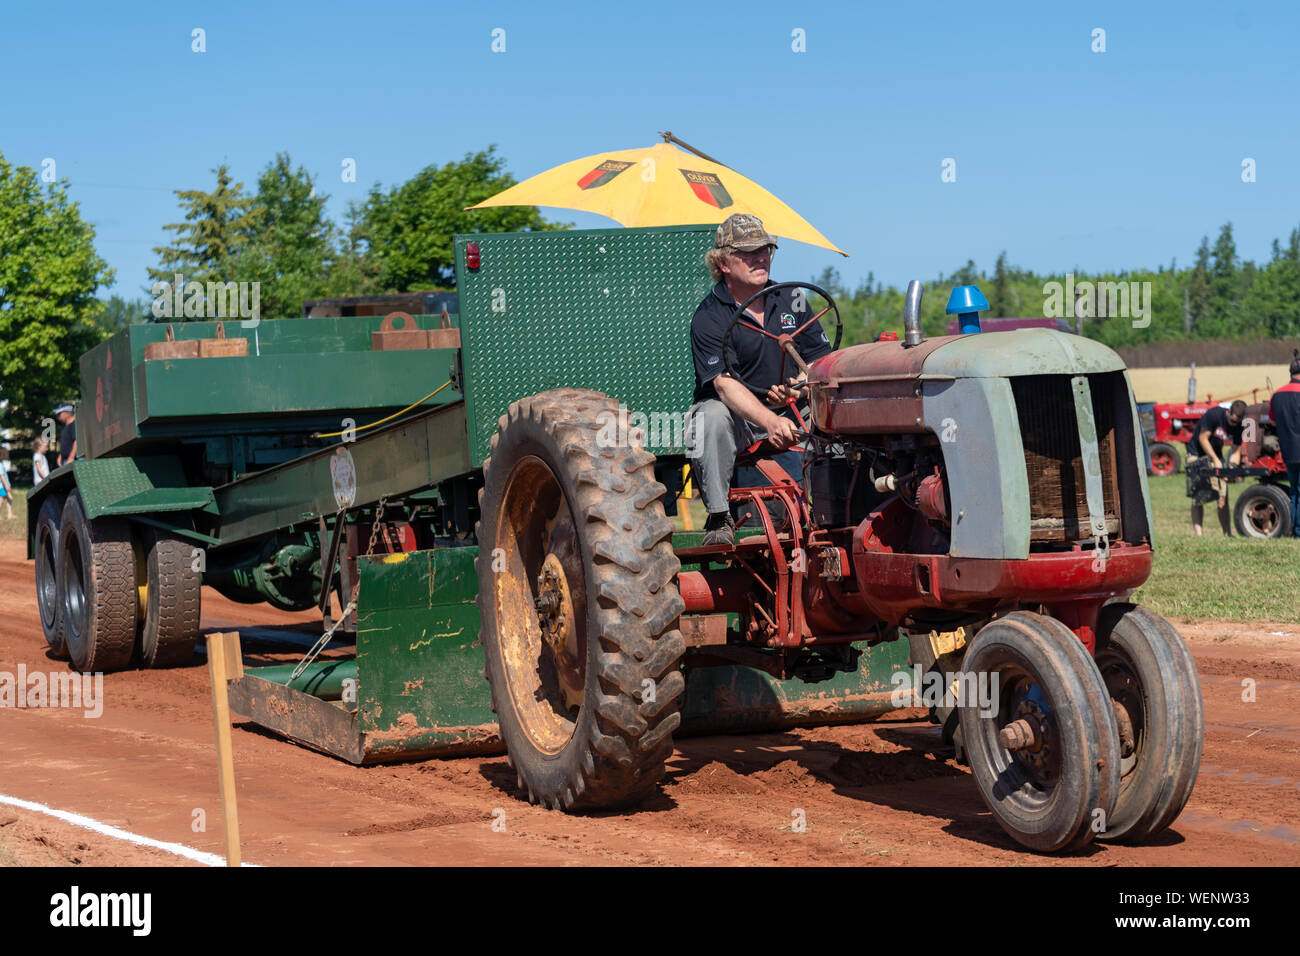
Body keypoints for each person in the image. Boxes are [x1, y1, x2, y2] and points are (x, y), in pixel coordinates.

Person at [685, 214, 834, 546]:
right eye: (749, 252)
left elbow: (818, 360)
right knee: (706, 418)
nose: (760, 257)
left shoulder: (792, 298)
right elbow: (724, 384)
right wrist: (768, 419)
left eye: (765, 249)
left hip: (794, 409)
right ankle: (720, 517)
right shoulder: (710, 316)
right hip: (742, 421)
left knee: (840, 408)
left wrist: (799, 385)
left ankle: (840, 510)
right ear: (723, 263)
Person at [1186, 399, 1247, 536]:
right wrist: (1214, 459)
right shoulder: (1214, 415)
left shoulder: (1240, 426)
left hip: (1216, 457)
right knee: (1198, 496)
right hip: (1196, 454)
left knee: (1223, 496)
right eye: (1232, 421)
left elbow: (1236, 450)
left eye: (1237, 423)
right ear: (1228, 412)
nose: (1234, 425)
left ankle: (1227, 534)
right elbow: (1203, 438)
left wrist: (1231, 467)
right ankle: (1199, 535)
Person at [1269, 351, 1300, 537]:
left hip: (1288, 450)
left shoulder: (1277, 395)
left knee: (1295, 493)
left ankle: (1295, 531)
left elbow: (1273, 422)